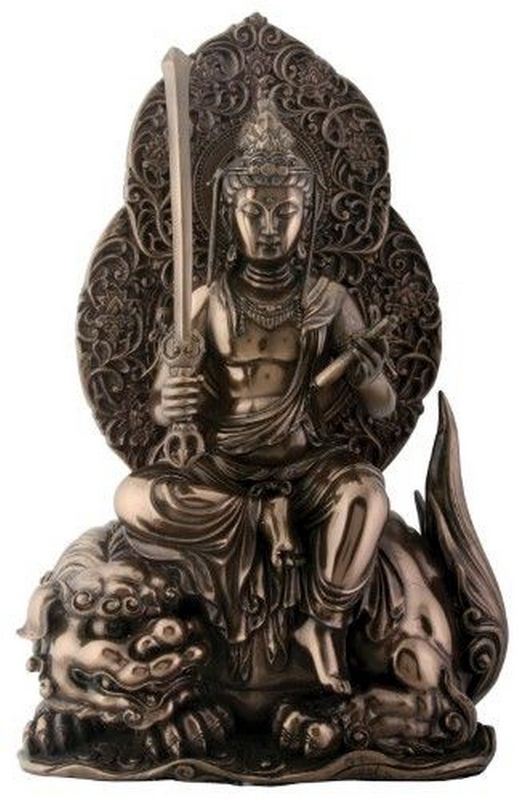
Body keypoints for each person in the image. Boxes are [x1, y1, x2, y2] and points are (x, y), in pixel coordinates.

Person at [115, 98, 396, 693]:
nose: (269, 228)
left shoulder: (329, 300)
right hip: (223, 469)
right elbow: (161, 406)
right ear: (229, 211)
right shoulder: (204, 302)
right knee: (135, 497)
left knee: (367, 493)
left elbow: (384, 407)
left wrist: (368, 376)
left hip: (307, 464)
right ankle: (260, 519)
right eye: (254, 212)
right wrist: (172, 402)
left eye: (284, 212)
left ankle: (324, 623)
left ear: (306, 213)